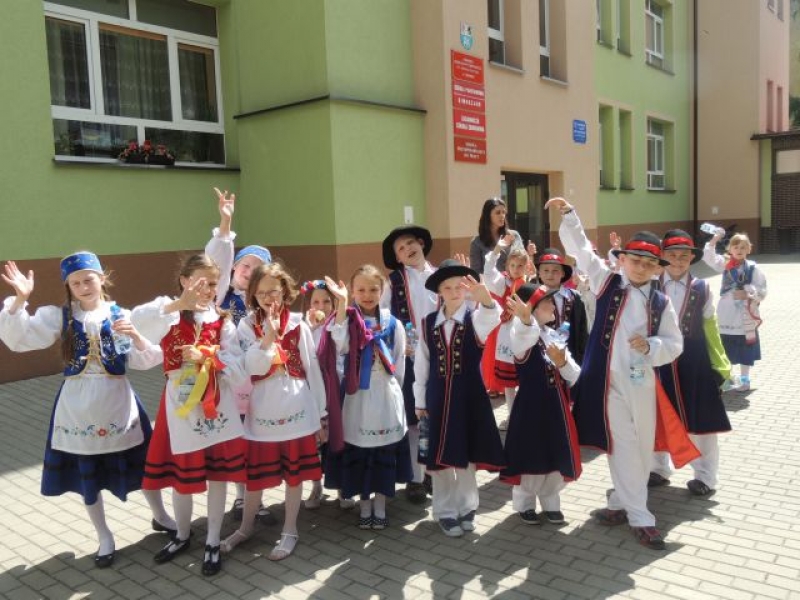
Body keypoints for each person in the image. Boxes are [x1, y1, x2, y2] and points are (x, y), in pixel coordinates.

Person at [0, 254, 176, 569]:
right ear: (68, 286)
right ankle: (104, 535)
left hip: (118, 403)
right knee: (88, 477)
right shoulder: (61, 318)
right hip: (78, 408)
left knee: (142, 466)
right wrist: (21, 300)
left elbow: (142, 361)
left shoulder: (121, 315)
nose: (83, 286)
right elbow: (19, 338)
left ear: (102, 278)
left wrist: (136, 336)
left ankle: (160, 515)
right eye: (75, 282)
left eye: (88, 279)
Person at [546, 197, 688, 550]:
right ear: (622, 260)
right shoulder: (605, 281)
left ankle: (619, 503)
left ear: (657, 269)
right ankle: (641, 517)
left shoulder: (661, 303)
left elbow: (675, 344)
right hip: (605, 385)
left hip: (641, 385)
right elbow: (581, 250)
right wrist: (570, 215)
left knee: (639, 448)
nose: (640, 268)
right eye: (635, 261)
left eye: (648, 264)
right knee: (622, 446)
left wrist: (652, 346)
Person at [131, 254, 246, 577]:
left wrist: (208, 356)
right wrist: (175, 305)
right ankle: (182, 534)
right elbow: (138, 323)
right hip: (179, 405)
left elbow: (237, 364)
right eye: (200, 282)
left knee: (218, 475)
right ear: (183, 280)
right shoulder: (166, 312)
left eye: (213, 284)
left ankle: (212, 539)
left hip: (216, 403)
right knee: (182, 476)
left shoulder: (221, 320)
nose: (208, 290)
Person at [221, 263, 326, 560]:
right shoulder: (246, 326)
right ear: (253, 295)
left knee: (294, 476)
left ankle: (290, 530)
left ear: (285, 291)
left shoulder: (298, 324)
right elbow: (249, 369)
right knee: (255, 475)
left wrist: (322, 414)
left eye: (274, 292)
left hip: (296, 406)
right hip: (263, 409)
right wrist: (267, 337)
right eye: (262, 293)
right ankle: (246, 527)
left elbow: (311, 368)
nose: (269, 298)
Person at [413, 259, 505, 538]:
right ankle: (444, 511)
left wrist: (486, 299)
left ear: (467, 290)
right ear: (439, 292)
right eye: (447, 287)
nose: (454, 292)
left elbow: (491, 319)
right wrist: (420, 401)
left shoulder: (474, 319)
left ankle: (467, 508)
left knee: (466, 458)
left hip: (469, 398)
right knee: (441, 460)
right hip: (438, 397)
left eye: (459, 287)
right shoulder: (428, 323)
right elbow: (422, 363)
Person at [320, 265, 412, 530]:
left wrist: (393, 391)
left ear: (382, 291)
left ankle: (380, 504)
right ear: (352, 291)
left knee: (383, 450)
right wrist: (341, 304)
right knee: (360, 451)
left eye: (373, 289)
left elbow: (399, 363)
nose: (368, 295)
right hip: (357, 397)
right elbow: (339, 343)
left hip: (384, 395)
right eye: (361, 289)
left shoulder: (393, 323)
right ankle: (364, 504)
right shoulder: (348, 321)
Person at [203, 188, 275, 523]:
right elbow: (215, 264)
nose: (248, 270)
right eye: (244, 264)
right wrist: (225, 224)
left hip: (259, 379)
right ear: (234, 266)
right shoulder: (219, 296)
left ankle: (257, 499)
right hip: (229, 382)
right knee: (236, 439)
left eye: (256, 268)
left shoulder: (263, 302)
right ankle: (240, 497)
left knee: (257, 439)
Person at [649, 230, 732, 496]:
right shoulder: (649, 285)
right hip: (657, 361)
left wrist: (720, 365)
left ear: (692, 258)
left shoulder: (702, 288)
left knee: (701, 421)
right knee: (655, 416)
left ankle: (705, 476)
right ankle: (658, 468)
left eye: (684, 256)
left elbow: (711, 327)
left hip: (693, 361)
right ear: (662, 256)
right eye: (672, 255)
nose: (678, 260)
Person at [502, 283, 582, 525]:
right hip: (531, 408)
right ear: (532, 308)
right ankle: (525, 503)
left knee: (555, 452)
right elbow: (525, 333)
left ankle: (551, 501)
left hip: (556, 407)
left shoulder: (553, 335)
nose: (553, 306)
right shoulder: (520, 334)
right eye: (547, 302)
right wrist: (526, 320)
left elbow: (575, 375)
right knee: (531, 453)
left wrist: (562, 363)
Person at [379, 225, 438, 504]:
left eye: (411, 242)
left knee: (437, 418)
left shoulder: (440, 276)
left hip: (439, 358)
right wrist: (399, 341)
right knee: (415, 420)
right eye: (401, 248)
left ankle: (433, 473)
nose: (408, 249)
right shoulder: (393, 282)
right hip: (411, 360)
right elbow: (382, 316)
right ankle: (415, 478)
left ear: (422, 244)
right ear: (398, 258)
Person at [299, 279, 354, 510]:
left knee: (338, 437)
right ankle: (316, 486)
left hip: (335, 389)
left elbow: (342, 344)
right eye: (316, 302)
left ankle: (342, 486)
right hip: (312, 391)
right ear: (308, 305)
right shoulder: (303, 327)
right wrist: (311, 329)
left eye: (326, 302)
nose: (321, 307)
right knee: (315, 441)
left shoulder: (338, 324)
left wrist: (342, 302)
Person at [702, 231, 766, 392]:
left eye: (743, 247)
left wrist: (748, 293)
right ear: (729, 249)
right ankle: (728, 378)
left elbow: (762, 289)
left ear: (749, 249)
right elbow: (708, 256)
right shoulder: (725, 264)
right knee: (724, 348)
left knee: (745, 350)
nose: (739, 250)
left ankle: (745, 380)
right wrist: (715, 238)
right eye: (736, 247)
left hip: (744, 315)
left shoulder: (753, 268)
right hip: (726, 313)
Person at [482, 235, 531, 430]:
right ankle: (512, 415)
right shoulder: (503, 283)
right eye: (513, 265)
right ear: (507, 265)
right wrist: (496, 251)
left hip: (526, 334)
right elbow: (488, 272)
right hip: (507, 335)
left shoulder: (529, 284)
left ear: (527, 267)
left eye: (520, 266)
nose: (516, 269)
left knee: (526, 377)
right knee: (509, 381)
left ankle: (526, 414)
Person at [534, 247, 589, 364]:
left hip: (571, 358)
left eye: (555, 270)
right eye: (545, 270)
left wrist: (582, 360)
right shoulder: (533, 298)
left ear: (563, 273)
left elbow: (582, 331)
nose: (550, 274)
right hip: (542, 359)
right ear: (539, 273)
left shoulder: (575, 297)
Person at [469, 197, 524, 274]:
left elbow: (524, 260)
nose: (502, 216)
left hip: (515, 280)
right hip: (491, 281)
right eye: (498, 213)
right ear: (488, 215)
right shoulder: (477, 243)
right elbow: (476, 272)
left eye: (503, 212)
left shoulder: (514, 235)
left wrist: (530, 255)